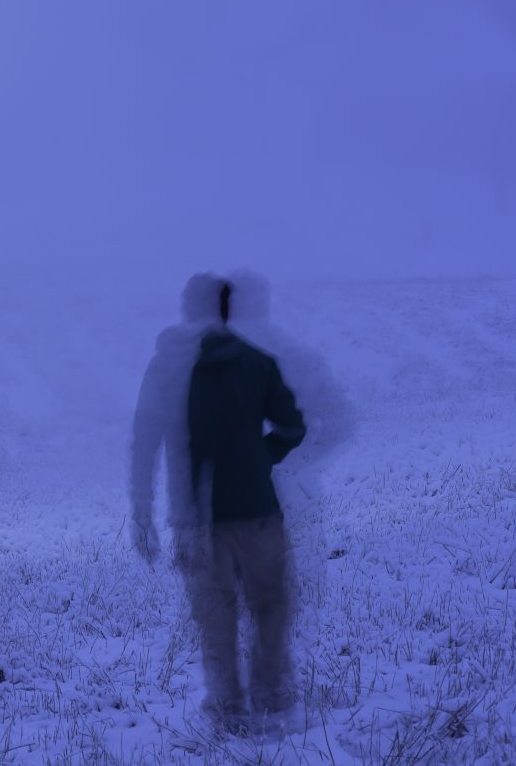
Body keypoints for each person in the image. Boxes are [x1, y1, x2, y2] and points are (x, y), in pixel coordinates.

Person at [130, 272, 306, 729]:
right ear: (230, 310)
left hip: (194, 518)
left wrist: (142, 512)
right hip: (257, 511)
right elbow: (293, 427)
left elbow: (145, 441)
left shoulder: (166, 367)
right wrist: (259, 457)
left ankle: (228, 709)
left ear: (190, 309)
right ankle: (271, 695)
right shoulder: (257, 362)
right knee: (269, 605)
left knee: (215, 617)